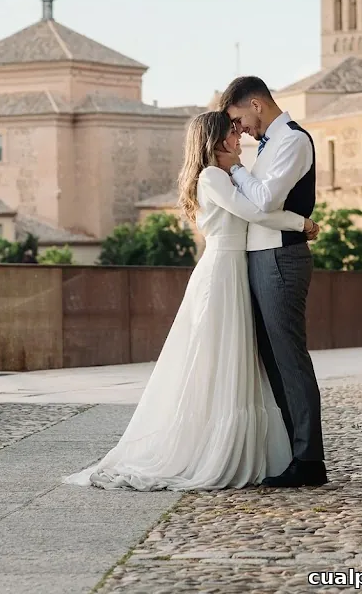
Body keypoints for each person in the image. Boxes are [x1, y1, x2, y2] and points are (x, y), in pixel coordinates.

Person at [63, 110, 318, 491]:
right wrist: (303, 224)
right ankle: (210, 448)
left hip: (231, 269)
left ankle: (235, 444)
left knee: (228, 358)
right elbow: (253, 212)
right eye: (232, 133)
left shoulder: (223, 175)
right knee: (215, 358)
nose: (239, 138)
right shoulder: (213, 176)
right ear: (217, 141)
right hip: (222, 273)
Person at [217, 76, 326, 488]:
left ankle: (309, 461)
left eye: (239, 118)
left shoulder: (293, 141)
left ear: (257, 104)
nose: (240, 128)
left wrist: (236, 170)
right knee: (272, 359)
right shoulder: (268, 145)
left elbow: (263, 201)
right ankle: (292, 454)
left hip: (281, 258)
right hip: (262, 256)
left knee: (290, 359)